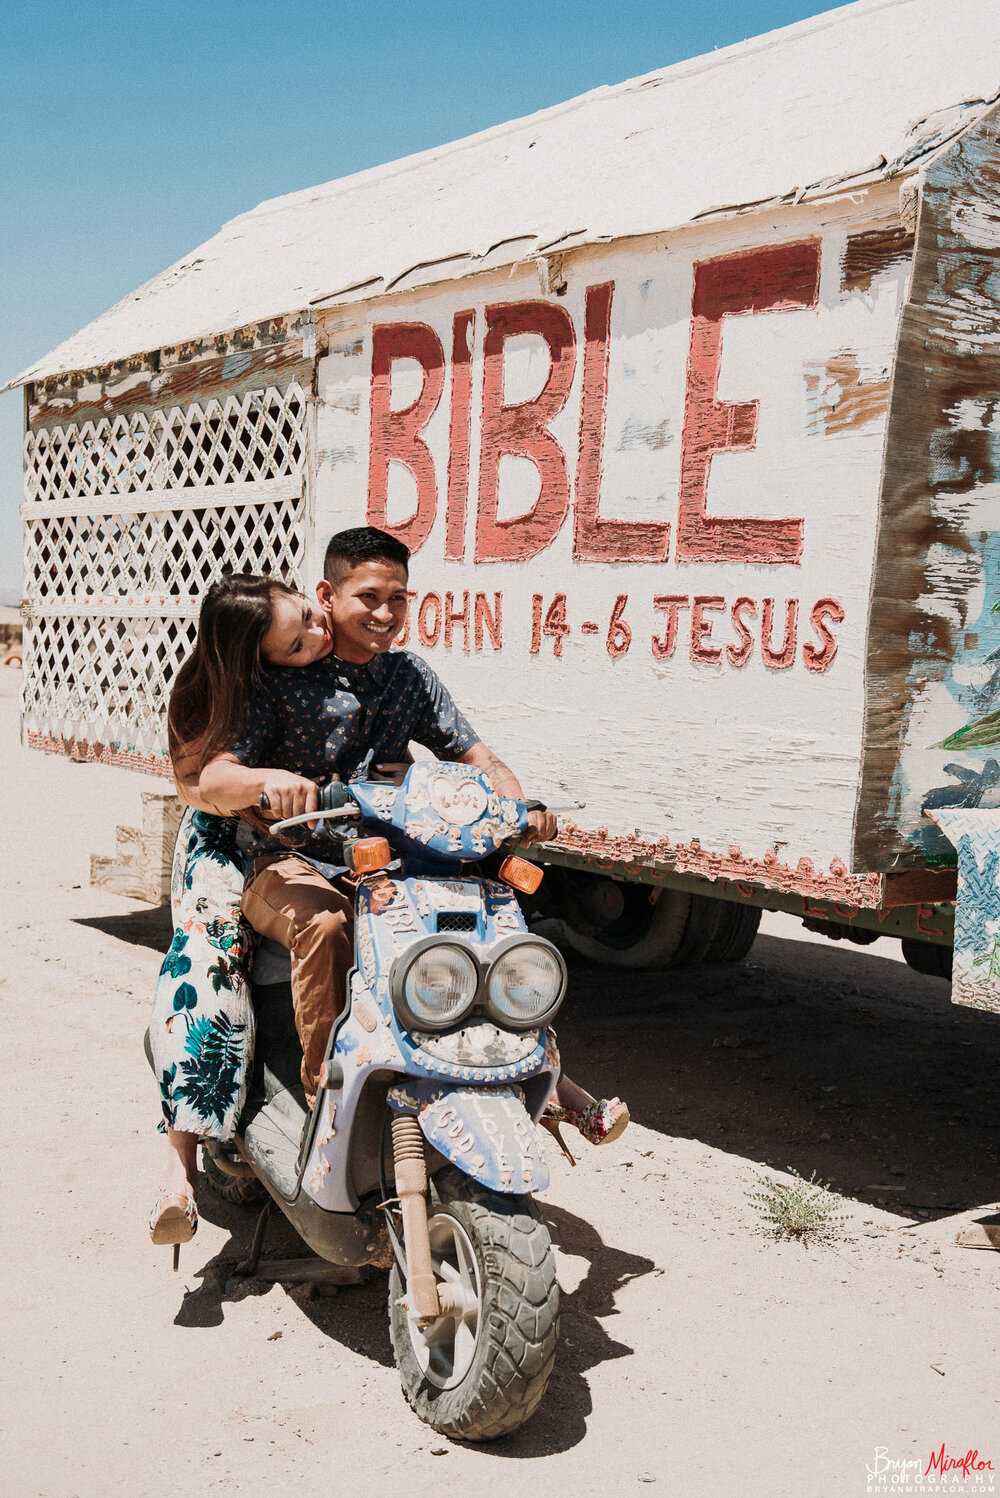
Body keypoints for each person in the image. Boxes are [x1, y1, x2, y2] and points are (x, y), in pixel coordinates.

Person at [149, 540, 628, 1257]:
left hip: (389, 857)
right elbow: (212, 773)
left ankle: (543, 1078)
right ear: (329, 595)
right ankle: (321, 1089)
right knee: (307, 931)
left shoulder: (408, 676)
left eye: (396, 597)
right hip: (286, 855)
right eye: (365, 598)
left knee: (487, 924)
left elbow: (477, 755)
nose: (382, 612)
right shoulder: (273, 683)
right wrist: (269, 781)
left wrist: (517, 801)